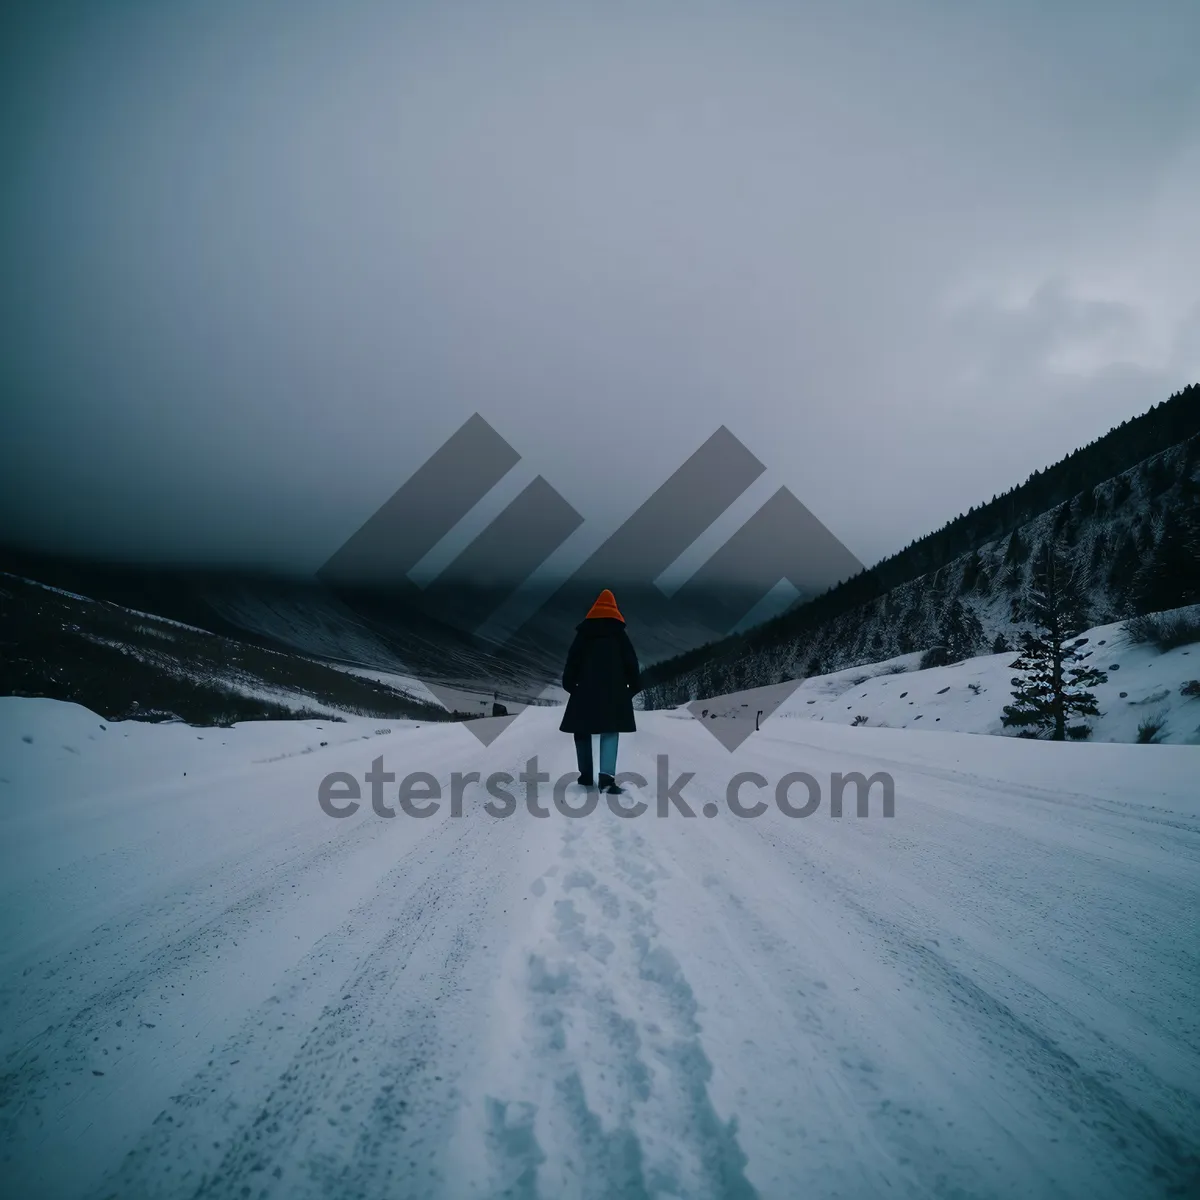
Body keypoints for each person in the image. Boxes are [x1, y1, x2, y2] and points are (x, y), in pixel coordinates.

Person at [559, 588, 641, 794]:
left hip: (584, 690)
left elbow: (572, 662)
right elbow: (631, 663)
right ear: (615, 610)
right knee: (610, 730)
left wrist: (571, 686)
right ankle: (606, 780)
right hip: (614, 691)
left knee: (581, 730)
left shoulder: (583, 634)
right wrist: (631, 689)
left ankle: (585, 776)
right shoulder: (619, 635)